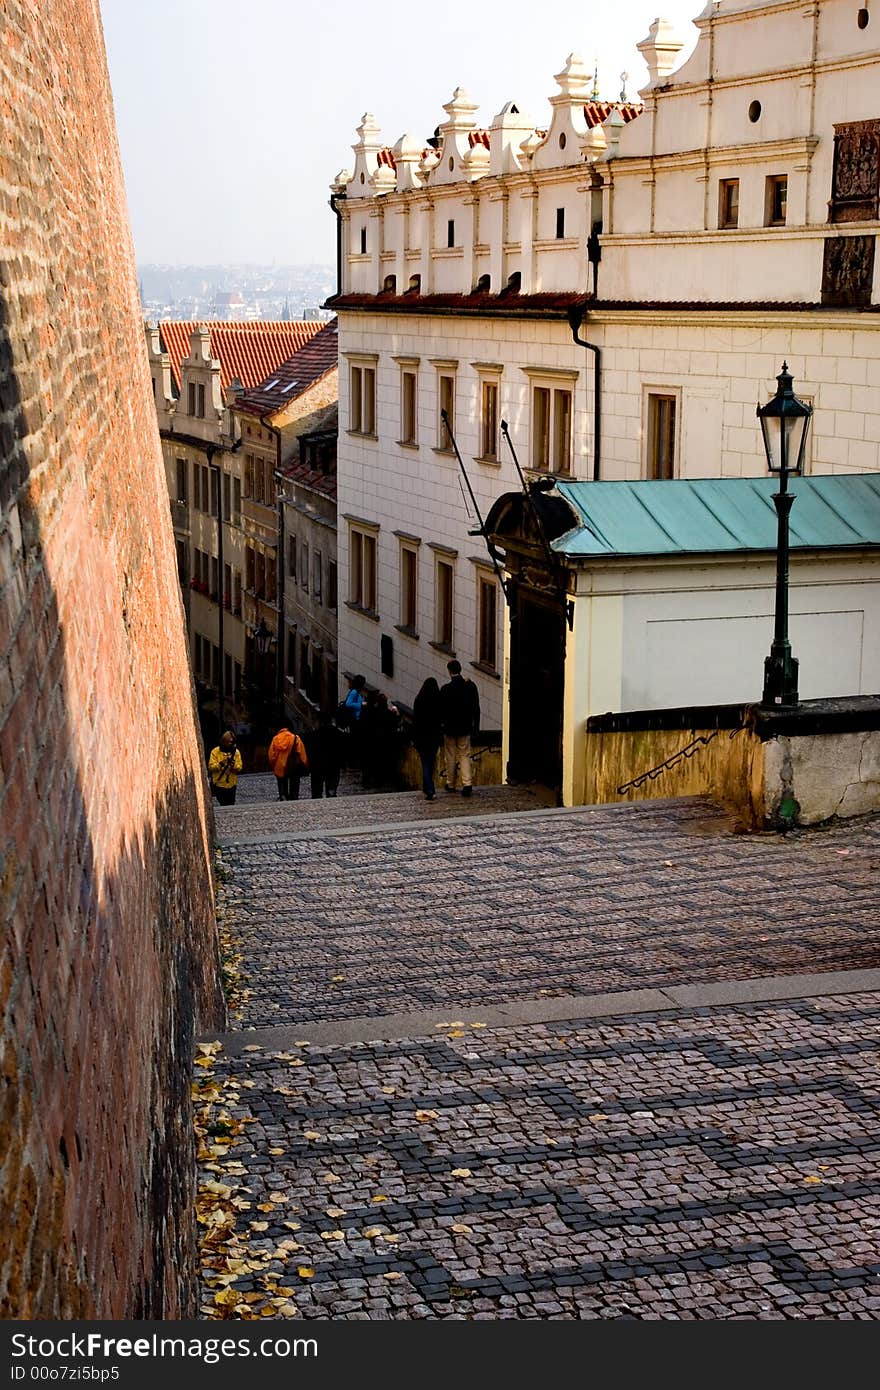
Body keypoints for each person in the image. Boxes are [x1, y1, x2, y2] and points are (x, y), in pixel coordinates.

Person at [439, 659, 480, 797]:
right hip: (465, 726)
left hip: (450, 728)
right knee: (465, 755)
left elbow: (441, 710)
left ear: (449, 671)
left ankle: (450, 783)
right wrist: (476, 727)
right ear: (460, 669)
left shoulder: (445, 689)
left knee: (450, 756)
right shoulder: (470, 686)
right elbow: (476, 709)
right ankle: (467, 783)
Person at [412, 676, 442, 800]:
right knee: (430, 762)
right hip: (434, 736)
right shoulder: (438, 700)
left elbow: (415, 721)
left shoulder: (419, 700)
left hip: (421, 736)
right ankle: (429, 787)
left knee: (425, 762)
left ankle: (428, 788)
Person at [306, 712, 345, 799]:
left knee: (317, 792)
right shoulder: (338, 733)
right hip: (333, 765)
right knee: (331, 791)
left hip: (318, 767)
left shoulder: (314, 735)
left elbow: (310, 751)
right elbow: (343, 750)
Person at [267, 722, 308, 800]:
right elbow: (301, 753)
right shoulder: (295, 738)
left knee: (282, 784)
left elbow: (271, 756)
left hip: (280, 766)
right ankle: (294, 798)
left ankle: (283, 797)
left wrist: (274, 767)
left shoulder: (275, 739)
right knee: (294, 784)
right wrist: (305, 764)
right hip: (293, 766)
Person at [208, 730, 243, 806]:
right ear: (224, 741)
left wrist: (233, 766)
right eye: (229, 742)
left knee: (231, 804)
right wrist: (221, 763)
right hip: (219, 783)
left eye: (232, 742)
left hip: (232, 784)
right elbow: (211, 767)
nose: (230, 744)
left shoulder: (236, 752)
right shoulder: (215, 751)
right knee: (223, 804)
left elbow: (239, 767)